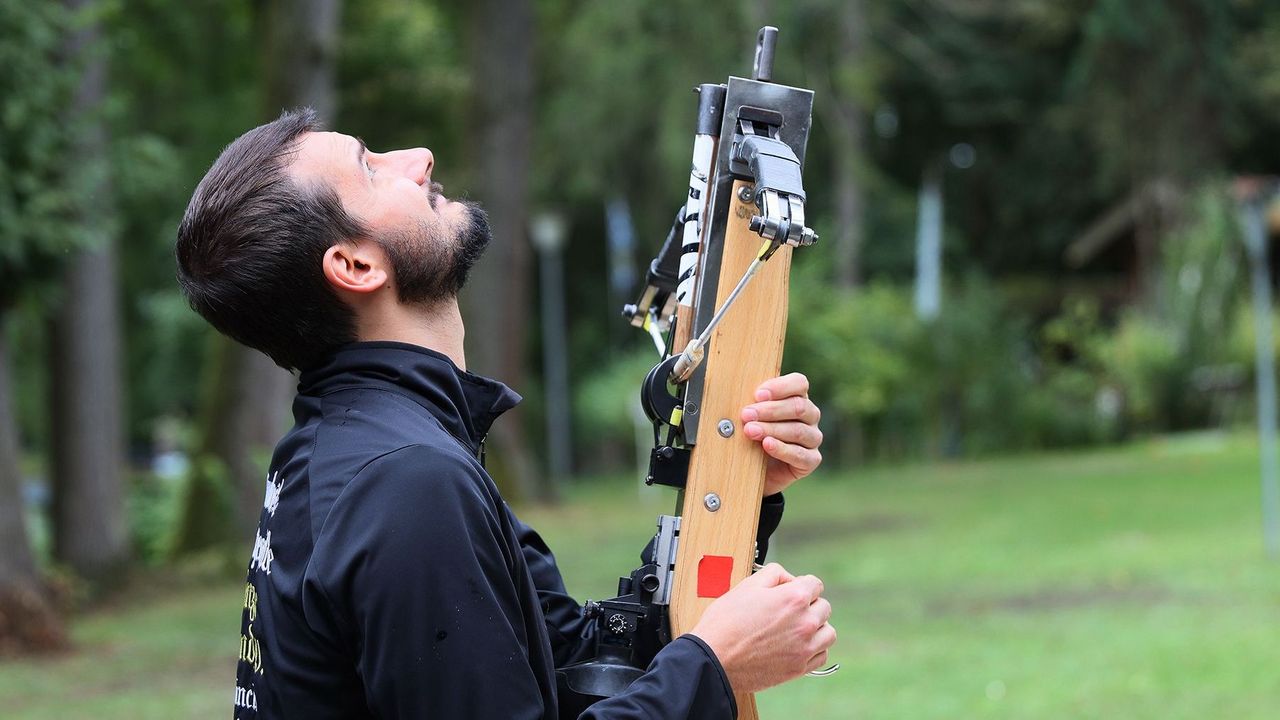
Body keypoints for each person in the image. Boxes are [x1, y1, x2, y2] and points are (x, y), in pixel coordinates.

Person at [176, 108, 835, 719]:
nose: (420, 157)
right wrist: (712, 667)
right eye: (372, 167)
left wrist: (736, 488)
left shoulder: (375, 450)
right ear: (354, 264)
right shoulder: (404, 481)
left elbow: (580, 659)